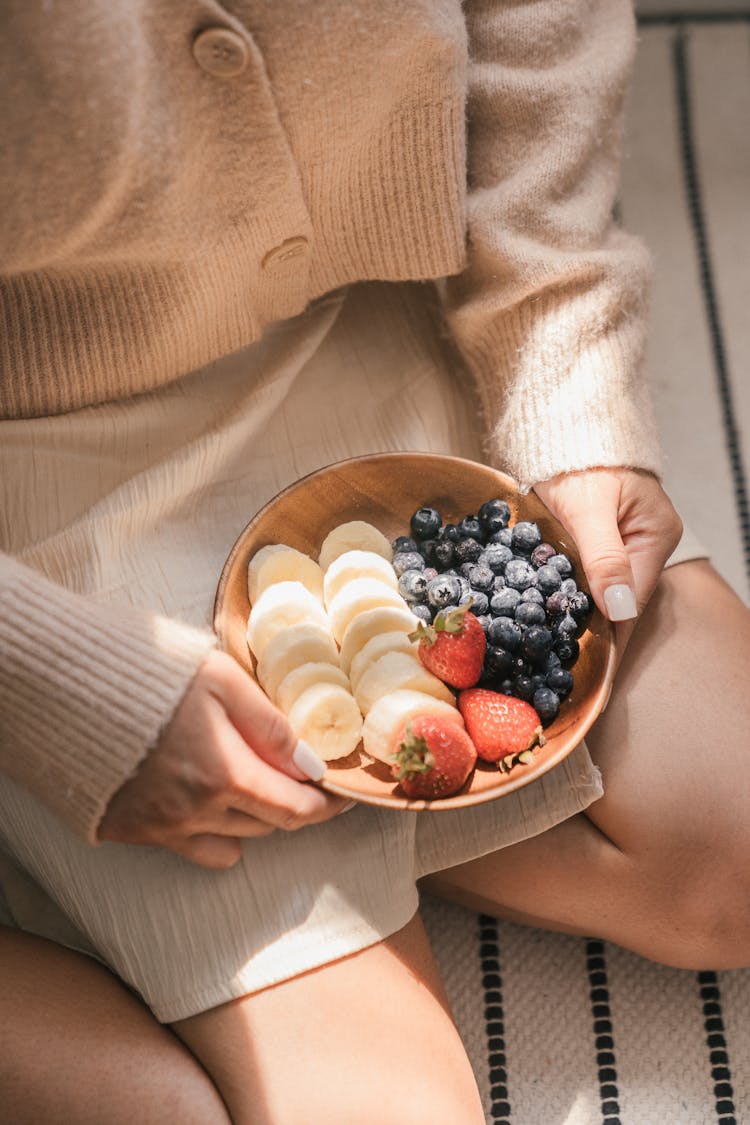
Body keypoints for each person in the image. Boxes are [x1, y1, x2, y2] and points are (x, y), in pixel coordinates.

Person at [1, 1, 749, 1121]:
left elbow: (533, 29)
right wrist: (49, 687)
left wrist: (568, 381)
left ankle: (348, 809)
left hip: (358, 333)